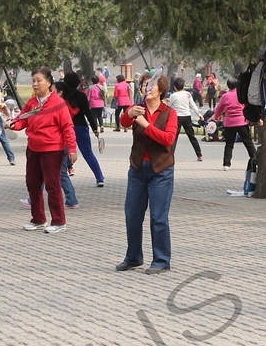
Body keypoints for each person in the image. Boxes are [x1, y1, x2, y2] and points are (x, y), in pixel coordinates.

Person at [117, 73, 177, 273]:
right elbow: (124, 123)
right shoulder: (137, 110)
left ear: (161, 89)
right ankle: (133, 257)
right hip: (137, 168)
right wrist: (130, 114)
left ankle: (161, 261)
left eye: (151, 85)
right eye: (144, 85)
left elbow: (168, 139)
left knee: (158, 217)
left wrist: (146, 125)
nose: (147, 88)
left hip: (161, 169)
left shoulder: (169, 113)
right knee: (132, 214)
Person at [14, 68, 76, 232]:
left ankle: (58, 221)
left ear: (49, 83)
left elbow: (68, 127)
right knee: (33, 184)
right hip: (33, 148)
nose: (35, 84)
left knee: (52, 185)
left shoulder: (58, 103)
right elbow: (22, 120)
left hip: (52, 149)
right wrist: (12, 123)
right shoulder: (32, 102)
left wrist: (72, 148)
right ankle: (38, 219)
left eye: (38, 80)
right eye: (33, 80)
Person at [60, 72, 106, 186]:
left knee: (64, 153)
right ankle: (99, 178)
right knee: (88, 153)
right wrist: (95, 128)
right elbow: (88, 113)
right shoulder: (82, 96)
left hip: (65, 127)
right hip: (81, 126)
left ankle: (61, 177)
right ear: (78, 82)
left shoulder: (61, 96)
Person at [215, 81, 258, 173]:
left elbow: (219, 108)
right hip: (241, 121)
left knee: (229, 144)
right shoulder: (241, 94)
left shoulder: (225, 96)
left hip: (229, 123)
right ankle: (255, 159)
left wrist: (216, 117)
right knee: (248, 142)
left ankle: (226, 164)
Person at [167, 76, 205, 163]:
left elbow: (169, 107)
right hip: (187, 117)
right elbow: (193, 105)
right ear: (183, 85)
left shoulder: (173, 95)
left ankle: (170, 155)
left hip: (177, 117)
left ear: (175, 86)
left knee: (174, 138)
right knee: (192, 137)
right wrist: (200, 115)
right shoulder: (188, 94)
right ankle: (199, 155)